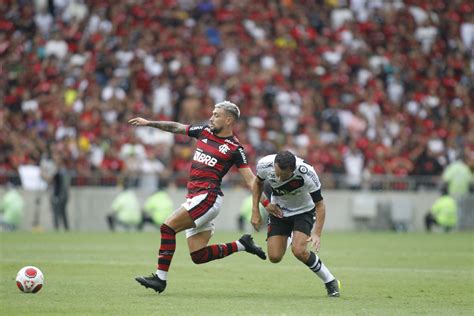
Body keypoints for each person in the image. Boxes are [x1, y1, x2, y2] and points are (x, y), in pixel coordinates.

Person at [129, 101, 266, 294]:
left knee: (167, 227)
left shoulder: (235, 148)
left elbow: (252, 181)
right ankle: (242, 244)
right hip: (196, 197)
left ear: (228, 120)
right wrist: (149, 122)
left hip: (208, 197)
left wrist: (263, 205)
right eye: (212, 114)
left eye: (216, 115)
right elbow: (176, 127)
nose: (211, 117)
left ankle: (160, 279)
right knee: (198, 255)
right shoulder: (204, 131)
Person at [251, 150, 341, 297]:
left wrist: (317, 233)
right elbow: (257, 184)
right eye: (276, 172)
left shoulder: (307, 173)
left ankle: (330, 281)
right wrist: (256, 209)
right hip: (279, 211)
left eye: (283, 175)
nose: (278, 178)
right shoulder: (264, 164)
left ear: (293, 170)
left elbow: (320, 205)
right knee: (274, 257)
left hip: (303, 211)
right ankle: (291, 237)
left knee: (299, 251)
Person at [51, 156, 70, 231]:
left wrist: (60, 196)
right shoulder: (60, 171)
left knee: (57, 212)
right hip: (62, 195)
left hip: (60, 195)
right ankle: (66, 228)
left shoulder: (62, 172)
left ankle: (57, 228)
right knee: (63, 213)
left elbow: (64, 185)